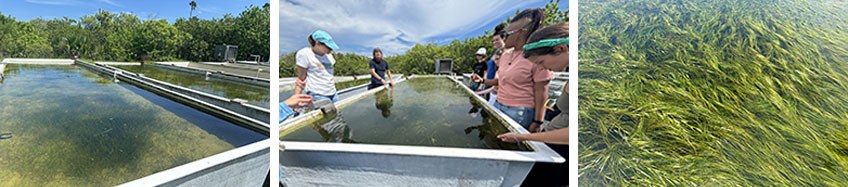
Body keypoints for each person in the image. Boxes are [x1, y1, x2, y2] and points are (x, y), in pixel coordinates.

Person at [496, 23, 569, 187]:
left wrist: (521, 136)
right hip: (552, 142)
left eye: (541, 61)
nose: (542, 67)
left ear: (560, 49)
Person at [473, 8, 552, 132]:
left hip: (520, 112)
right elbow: (500, 82)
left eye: (506, 35)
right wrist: (482, 81)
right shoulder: (505, 55)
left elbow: (542, 92)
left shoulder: (536, 57)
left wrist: (538, 122)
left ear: (520, 33)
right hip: (498, 104)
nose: (504, 39)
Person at [295, 30, 340, 103]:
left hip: (333, 93)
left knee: (337, 114)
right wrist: (296, 100)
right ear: (317, 43)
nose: (331, 50)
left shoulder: (329, 56)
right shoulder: (304, 54)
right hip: (317, 94)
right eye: (328, 47)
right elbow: (301, 79)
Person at [475, 23, 507, 106]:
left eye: (497, 40)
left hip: (496, 85)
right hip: (490, 84)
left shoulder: (506, 52)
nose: (494, 42)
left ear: (503, 38)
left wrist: (482, 81)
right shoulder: (495, 52)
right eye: (493, 40)